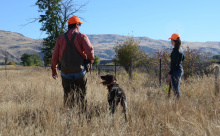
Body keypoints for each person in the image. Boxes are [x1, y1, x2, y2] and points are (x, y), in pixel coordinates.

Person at [51, 16, 95, 112]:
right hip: (80, 72)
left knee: (68, 96)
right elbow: (90, 52)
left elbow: (54, 56)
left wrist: (54, 70)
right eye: (79, 24)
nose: (80, 26)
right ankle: (81, 116)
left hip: (65, 72)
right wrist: (90, 62)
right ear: (76, 25)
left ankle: (69, 117)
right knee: (82, 95)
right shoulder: (82, 36)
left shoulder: (60, 38)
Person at [166, 33, 184, 99]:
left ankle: (179, 103)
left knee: (176, 89)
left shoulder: (175, 51)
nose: (170, 41)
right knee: (176, 88)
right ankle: (179, 102)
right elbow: (182, 59)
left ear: (173, 41)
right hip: (180, 70)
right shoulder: (181, 49)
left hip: (176, 71)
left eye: (171, 40)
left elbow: (174, 64)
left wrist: (169, 74)